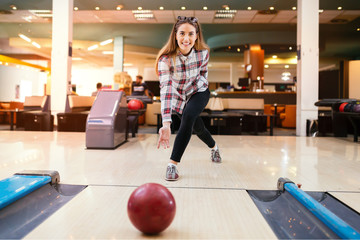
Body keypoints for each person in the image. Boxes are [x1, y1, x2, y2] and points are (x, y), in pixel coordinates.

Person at [155, 16, 222, 181]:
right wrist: (166, 124)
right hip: (179, 98)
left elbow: (203, 75)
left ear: (196, 36)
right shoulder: (166, 60)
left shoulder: (203, 54)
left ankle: (172, 165)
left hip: (199, 91)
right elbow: (166, 90)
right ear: (175, 35)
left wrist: (199, 88)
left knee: (189, 116)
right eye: (182, 33)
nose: (186, 38)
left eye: (191, 34)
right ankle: (214, 147)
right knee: (197, 127)